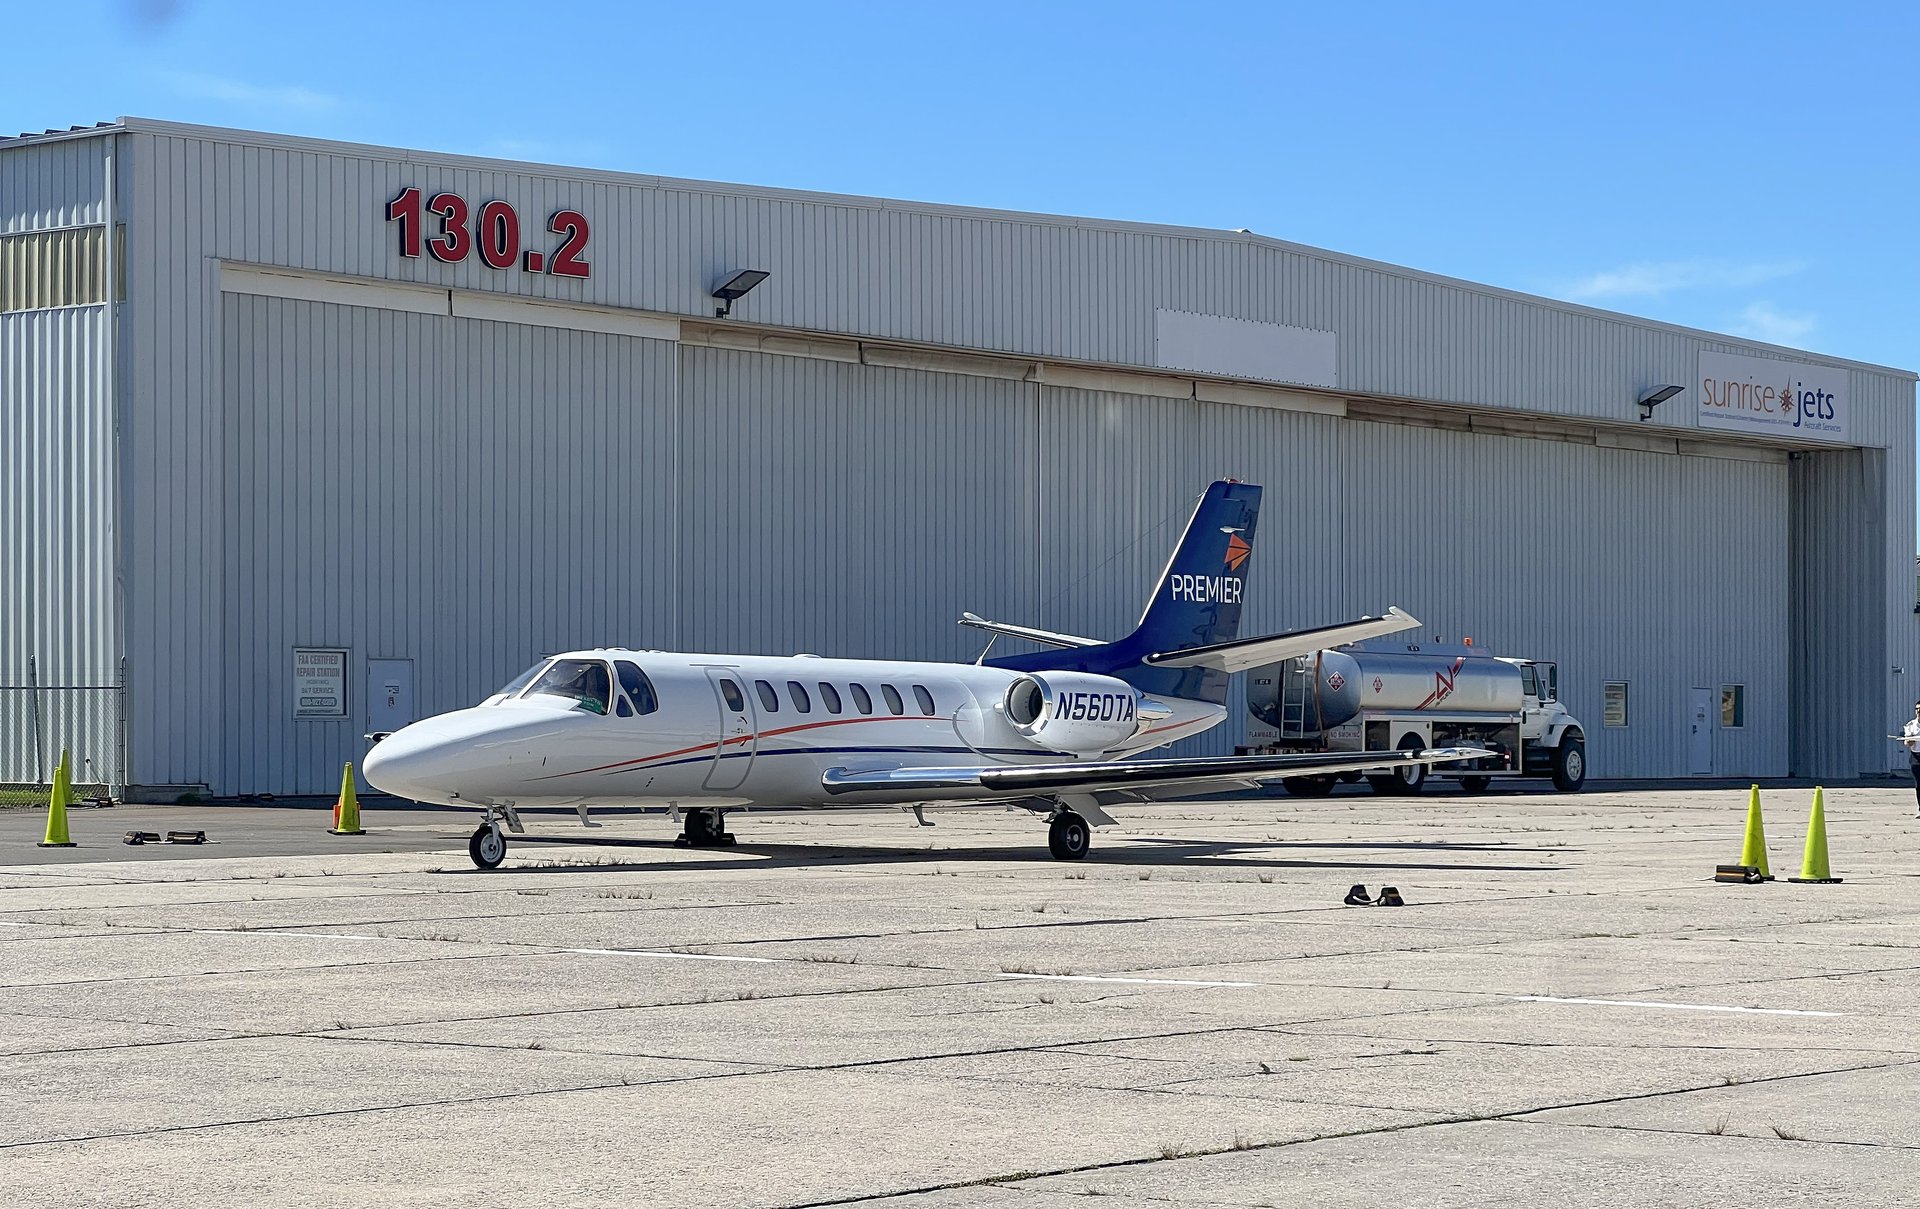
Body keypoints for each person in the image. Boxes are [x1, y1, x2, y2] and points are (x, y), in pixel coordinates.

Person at [1902, 701, 1920, 815]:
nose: (1919, 711)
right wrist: (1909, 741)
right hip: (1916, 757)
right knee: (1919, 784)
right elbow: (1906, 742)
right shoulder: (1911, 725)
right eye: (1917, 709)